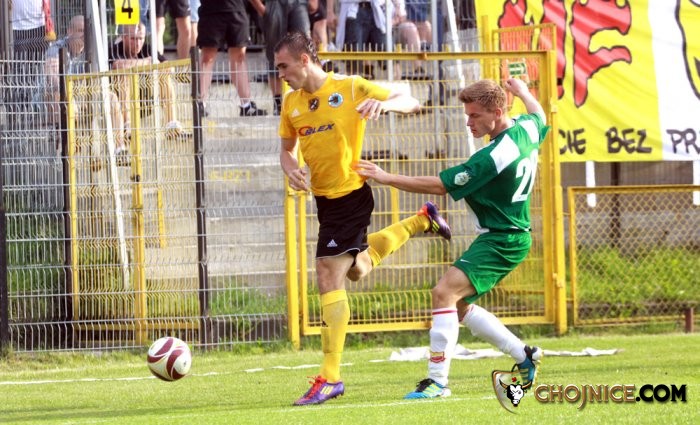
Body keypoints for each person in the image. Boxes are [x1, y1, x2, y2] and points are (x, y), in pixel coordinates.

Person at [274, 32, 452, 406]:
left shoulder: (351, 87)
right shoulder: (291, 103)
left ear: (304, 60)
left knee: (327, 272)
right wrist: (291, 170)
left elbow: (410, 99)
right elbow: (286, 150)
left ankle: (330, 377)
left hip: (352, 196)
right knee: (357, 268)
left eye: (284, 66)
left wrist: (385, 105)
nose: (281, 75)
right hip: (324, 202)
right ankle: (421, 221)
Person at [355, 78, 550, 399]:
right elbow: (539, 115)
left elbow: (440, 186)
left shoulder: (493, 157)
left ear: (497, 112)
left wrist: (385, 176)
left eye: (474, 116)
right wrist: (525, 92)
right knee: (457, 305)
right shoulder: (526, 129)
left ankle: (437, 382)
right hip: (506, 236)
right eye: (467, 114)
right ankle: (523, 354)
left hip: (503, 239)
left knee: (443, 293)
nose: (468, 122)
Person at [44, 16, 127, 162]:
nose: (84, 35)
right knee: (63, 98)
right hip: (54, 98)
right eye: (80, 31)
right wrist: (72, 93)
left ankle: (119, 149)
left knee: (111, 97)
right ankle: (74, 148)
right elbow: (53, 79)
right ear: (70, 31)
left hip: (81, 95)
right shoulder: (56, 50)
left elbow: (98, 81)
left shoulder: (91, 51)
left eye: (86, 32)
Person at [110, 23, 190, 141]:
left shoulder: (147, 49)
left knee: (164, 74)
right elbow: (118, 66)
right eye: (133, 39)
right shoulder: (114, 49)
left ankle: (171, 125)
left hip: (145, 96)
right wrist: (147, 63)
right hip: (120, 99)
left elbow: (169, 67)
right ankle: (128, 126)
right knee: (123, 75)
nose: (137, 43)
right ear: (124, 37)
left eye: (140, 38)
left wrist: (155, 65)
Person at [197, 0, 267, 117]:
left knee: (239, 57)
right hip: (211, 11)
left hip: (236, 9)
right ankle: (200, 104)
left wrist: (260, 8)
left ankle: (246, 106)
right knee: (207, 57)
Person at [248, 0, 310, 116]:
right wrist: (261, 9)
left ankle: (307, 98)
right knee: (275, 52)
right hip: (274, 4)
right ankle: (278, 104)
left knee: (305, 46)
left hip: (299, 3)